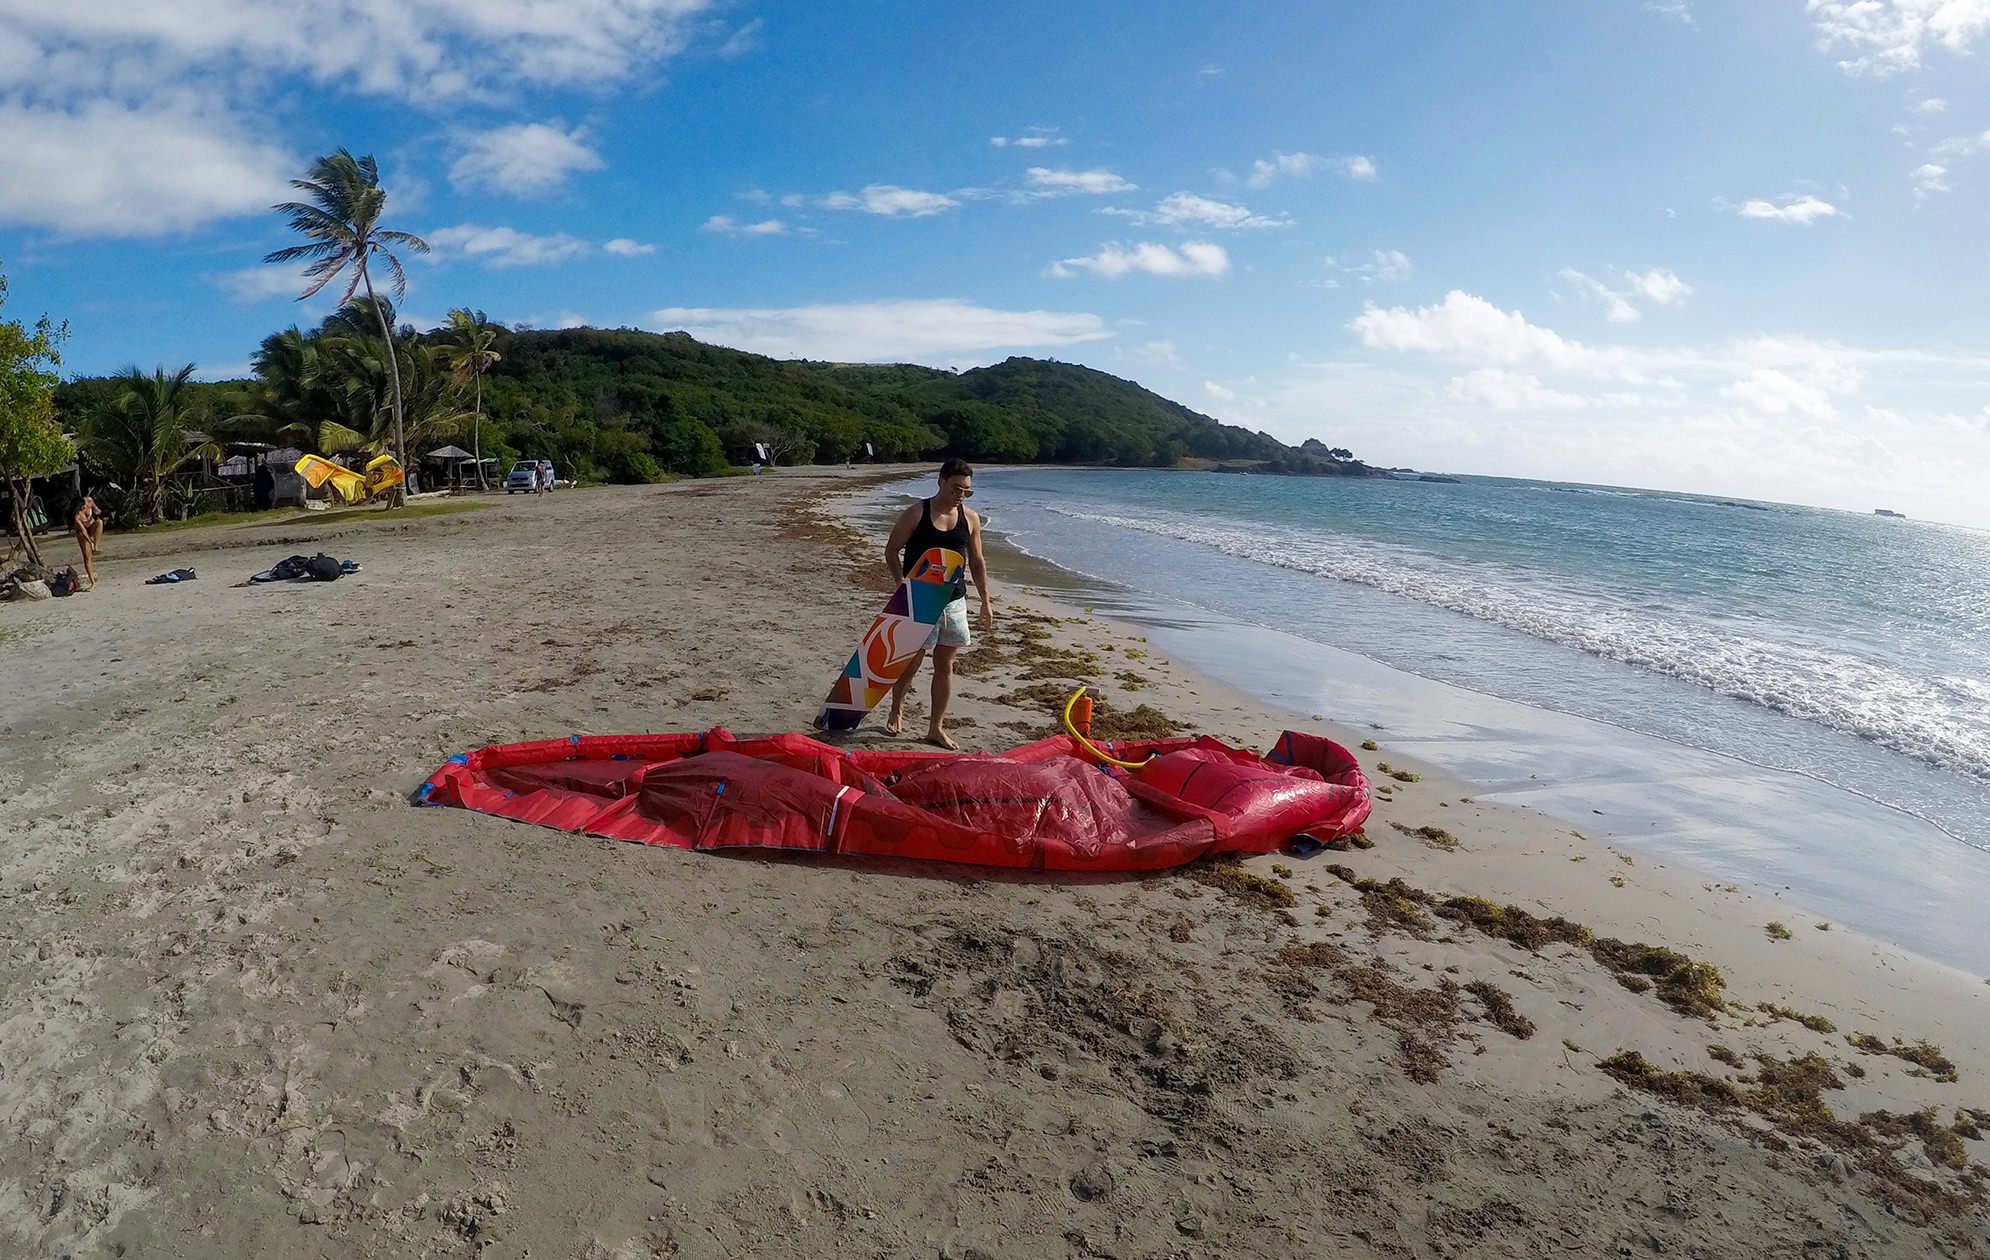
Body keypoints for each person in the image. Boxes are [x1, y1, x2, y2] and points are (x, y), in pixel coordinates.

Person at [882, 459, 993, 749]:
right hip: (918, 599)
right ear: (940, 481)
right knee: (912, 660)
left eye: (967, 490)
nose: (960, 494)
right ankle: (897, 708)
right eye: (956, 487)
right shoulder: (917, 513)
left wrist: (985, 601)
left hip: (954, 600)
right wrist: (901, 586)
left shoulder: (969, 518)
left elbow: (977, 561)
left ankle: (936, 727)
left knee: (945, 663)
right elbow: (892, 551)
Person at [71, 494, 103, 590]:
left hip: (92, 526)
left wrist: (97, 510)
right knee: (87, 557)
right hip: (82, 532)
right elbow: (83, 531)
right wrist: (89, 541)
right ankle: (92, 581)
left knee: (99, 522)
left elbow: (96, 508)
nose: (84, 508)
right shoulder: (76, 516)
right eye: (81, 508)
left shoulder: (89, 501)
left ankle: (95, 547)